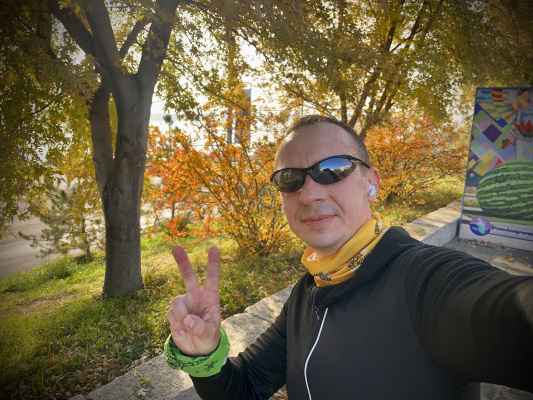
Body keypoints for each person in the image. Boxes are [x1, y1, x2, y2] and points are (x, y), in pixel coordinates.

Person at [165, 115, 533, 399]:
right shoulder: (307, 294)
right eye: (290, 178)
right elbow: (244, 389)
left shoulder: (424, 281)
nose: (309, 194)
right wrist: (203, 354)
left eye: (332, 169)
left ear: (371, 183)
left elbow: (511, 311)